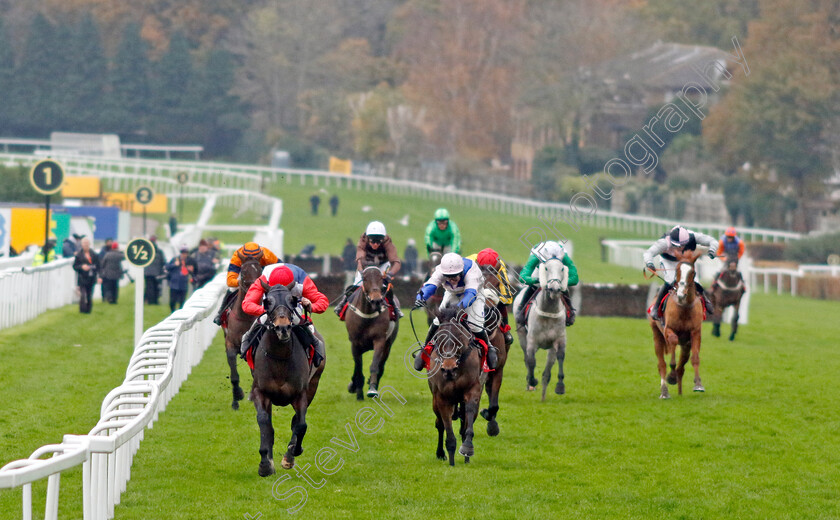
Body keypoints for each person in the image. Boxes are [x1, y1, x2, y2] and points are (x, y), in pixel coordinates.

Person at [413, 252, 497, 371]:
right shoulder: (440, 271)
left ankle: (489, 347)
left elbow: (470, 294)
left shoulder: (471, 272)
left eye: (455, 277)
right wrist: (420, 298)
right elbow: (430, 286)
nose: (452, 280)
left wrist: (459, 307)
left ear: (461, 272)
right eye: (448, 277)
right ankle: (424, 349)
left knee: (475, 325)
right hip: (452, 294)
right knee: (437, 322)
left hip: (474, 295)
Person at [240, 263, 329, 367]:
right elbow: (247, 304)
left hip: (291, 307)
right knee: (262, 319)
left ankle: (316, 343)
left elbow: (323, 302)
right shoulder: (263, 280)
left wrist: (310, 306)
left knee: (297, 319)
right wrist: (265, 309)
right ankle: (247, 339)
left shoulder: (302, 282)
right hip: (271, 308)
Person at [644, 225, 718, 322]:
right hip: (668, 261)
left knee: (693, 280)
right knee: (670, 281)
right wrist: (649, 263)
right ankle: (656, 308)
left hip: (684, 260)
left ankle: (705, 299)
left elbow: (713, 241)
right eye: (676, 246)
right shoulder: (664, 242)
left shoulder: (693, 236)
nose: (680, 248)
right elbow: (648, 253)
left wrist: (712, 250)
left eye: (682, 245)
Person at [333, 221, 402, 319]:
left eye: (379, 241)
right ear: (368, 238)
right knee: (356, 284)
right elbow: (360, 259)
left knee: (385, 286)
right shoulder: (363, 240)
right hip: (366, 265)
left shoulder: (387, 242)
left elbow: (396, 262)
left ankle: (394, 308)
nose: (375, 244)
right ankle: (342, 304)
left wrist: (390, 274)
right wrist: (361, 272)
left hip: (382, 265)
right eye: (373, 241)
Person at [212, 241, 279, 325]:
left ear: (259, 256)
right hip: (245, 274)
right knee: (232, 288)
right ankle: (220, 313)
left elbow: (282, 268)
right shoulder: (237, 256)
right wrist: (241, 282)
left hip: (263, 272)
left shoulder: (267, 255)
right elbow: (230, 281)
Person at [515, 241, 579, 327]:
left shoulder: (564, 255)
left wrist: (560, 283)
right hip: (540, 270)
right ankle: (521, 310)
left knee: (563, 287)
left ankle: (570, 311)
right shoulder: (536, 255)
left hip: (556, 271)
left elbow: (575, 279)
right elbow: (522, 277)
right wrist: (537, 280)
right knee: (534, 286)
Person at [467, 248, 514, 346]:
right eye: (483, 269)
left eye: (491, 271)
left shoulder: (500, 265)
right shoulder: (467, 262)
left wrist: (495, 300)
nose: (486, 273)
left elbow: (507, 297)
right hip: (468, 289)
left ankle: (505, 330)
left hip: (489, 292)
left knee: (497, 300)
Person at [712, 227, 747, 292]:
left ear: (734, 237)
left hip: (735, 257)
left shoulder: (740, 242)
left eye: (731, 237)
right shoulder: (722, 241)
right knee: (719, 269)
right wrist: (724, 259)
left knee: (740, 270)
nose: (729, 238)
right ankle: (714, 283)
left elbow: (741, 252)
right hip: (726, 256)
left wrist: (735, 259)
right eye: (728, 237)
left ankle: (743, 285)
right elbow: (719, 252)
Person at [72, 237, 99, 313]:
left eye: (87, 244)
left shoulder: (94, 254)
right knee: (83, 294)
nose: (86, 245)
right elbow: (75, 266)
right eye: (84, 244)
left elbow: (98, 266)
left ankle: (88, 309)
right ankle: (82, 309)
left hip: (91, 277)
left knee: (89, 294)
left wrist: (92, 268)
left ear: (89, 244)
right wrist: (82, 267)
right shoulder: (78, 255)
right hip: (82, 277)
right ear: (81, 245)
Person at [165, 247, 195, 312]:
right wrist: (174, 265)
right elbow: (167, 267)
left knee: (182, 301)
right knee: (172, 301)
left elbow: (194, 270)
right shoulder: (175, 259)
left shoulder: (190, 261)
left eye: (186, 253)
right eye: (183, 253)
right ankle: (172, 312)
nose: (184, 255)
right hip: (174, 283)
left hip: (183, 284)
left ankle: (180, 312)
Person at [144, 236, 166, 305]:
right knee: (156, 287)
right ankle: (155, 300)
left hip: (147, 272)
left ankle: (150, 300)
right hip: (157, 272)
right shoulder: (159, 251)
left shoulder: (146, 250)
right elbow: (163, 262)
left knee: (149, 287)